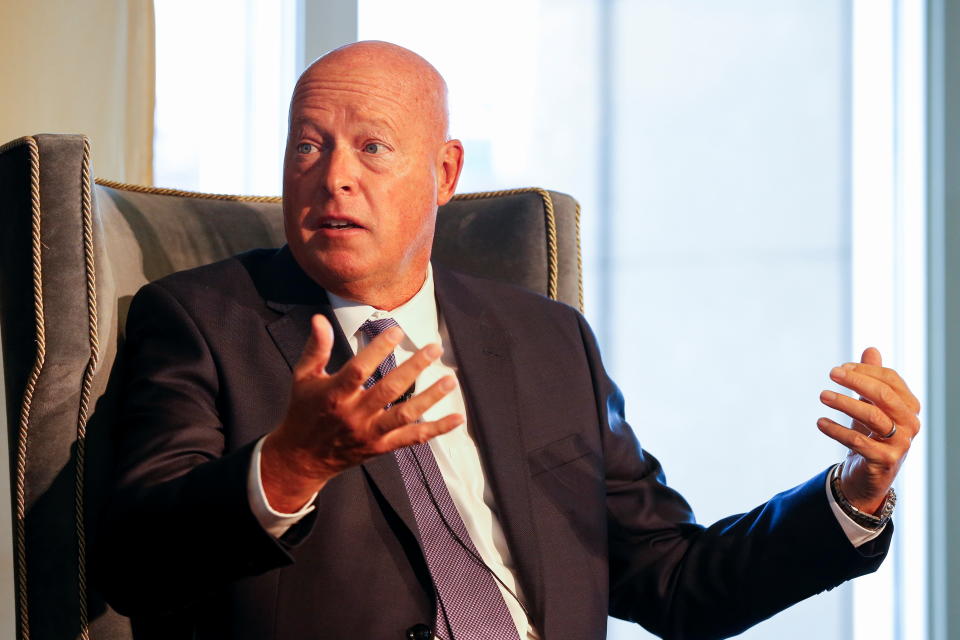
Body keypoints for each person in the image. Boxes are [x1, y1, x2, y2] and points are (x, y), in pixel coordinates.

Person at [96, 41, 921, 640]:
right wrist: (292, 463)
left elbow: (674, 581)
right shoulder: (199, 320)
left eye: (372, 147)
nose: (332, 175)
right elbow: (134, 564)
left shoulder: (546, 338)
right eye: (307, 145)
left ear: (446, 172)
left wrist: (851, 497)